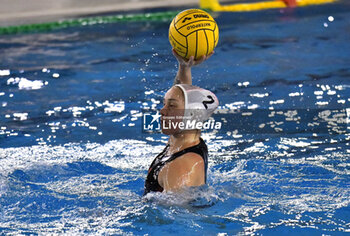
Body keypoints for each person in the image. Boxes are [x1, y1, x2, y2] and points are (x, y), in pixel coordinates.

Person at [143, 49, 219, 195]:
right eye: (164, 104)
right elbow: (183, 95)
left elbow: (175, 216)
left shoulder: (179, 168)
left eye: (171, 106)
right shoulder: (183, 140)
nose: (162, 111)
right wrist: (184, 67)